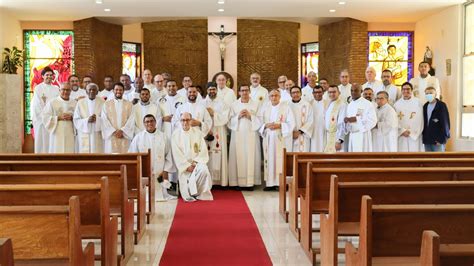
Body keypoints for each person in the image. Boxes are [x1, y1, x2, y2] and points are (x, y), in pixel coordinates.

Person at [129, 114, 176, 201]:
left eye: (151, 121)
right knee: (145, 196)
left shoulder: (163, 137)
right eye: (147, 122)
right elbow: (132, 155)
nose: (149, 123)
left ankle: (162, 193)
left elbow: (168, 155)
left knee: (160, 192)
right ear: (144, 124)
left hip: (160, 172)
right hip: (144, 171)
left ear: (155, 122)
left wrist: (165, 170)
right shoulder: (138, 138)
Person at [172, 112, 213, 202]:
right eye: (183, 120)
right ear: (180, 121)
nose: (185, 122)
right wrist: (186, 166)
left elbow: (203, 150)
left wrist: (196, 163)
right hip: (184, 167)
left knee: (204, 171)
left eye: (187, 120)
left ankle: (200, 193)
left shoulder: (198, 133)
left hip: (197, 164)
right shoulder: (175, 135)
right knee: (187, 184)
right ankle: (191, 192)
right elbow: (176, 154)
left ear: (191, 121)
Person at [259, 89, 295, 191]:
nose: (274, 97)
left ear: (279, 97)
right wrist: (266, 125)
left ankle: (280, 184)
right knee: (269, 159)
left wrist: (279, 125)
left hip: (280, 138)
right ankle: (270, 183)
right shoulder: (265, 107)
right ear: (269, 97)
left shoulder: (286, 107)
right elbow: (259, 122)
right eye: (272, 96)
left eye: (276, 95)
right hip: (268, 138)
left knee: (280, 160)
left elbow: (291, 123)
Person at [228, 85, 262, 190]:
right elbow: (229, 121)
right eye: (242, 90)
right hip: (237, 135)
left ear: (249, 91)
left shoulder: (256, 104)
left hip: (251, 135)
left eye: (246, 90)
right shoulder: (234, 105)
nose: (244, 92)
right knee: (237, 156)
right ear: (239, 92)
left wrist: (250, 116)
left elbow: (261, 120)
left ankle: (250, 183)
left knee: (251, 156)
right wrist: (238, 116)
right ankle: (237, 182)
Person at [204, 82, 230, 186]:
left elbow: (225, 117)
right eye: (210, 89)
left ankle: (220, 182)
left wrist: (213, 113)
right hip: (206, 132)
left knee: (219, 153)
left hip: (219, 131)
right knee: (207, 155)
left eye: (214, 89)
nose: (212, 91)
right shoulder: (202, 103)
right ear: (207, 91)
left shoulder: (223, 103)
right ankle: (208, 182)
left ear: (217, 90)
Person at [30, 67, 60, 153]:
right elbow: (37, 105)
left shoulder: (56, 89)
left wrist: (53, 117)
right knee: (42, 142)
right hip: (42, 120)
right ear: (42, 76)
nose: (49, 77)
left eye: (51, 75)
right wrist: (46, 117)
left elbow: (58, 103)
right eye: (47, 75)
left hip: (53, 119)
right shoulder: (38, 88)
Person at [42, 82, 77, 153]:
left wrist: (72, 118)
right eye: (63, 89)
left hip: (70, 131)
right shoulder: (52, 102)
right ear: (59, 90)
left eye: (68, 90)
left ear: (70, 91)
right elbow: (45, 117)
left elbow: (79, 118)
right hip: (57, 131)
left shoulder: (75, 103)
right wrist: (58, 118)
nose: (65, 92)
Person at [101, 82, 135, 153]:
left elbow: (132, 119)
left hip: (125, 136)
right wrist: (113, 131)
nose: (118, 91)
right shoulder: (106, 104)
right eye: (116, 90)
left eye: (120, 90)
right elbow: (104, 120)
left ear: (123, 91)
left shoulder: (129, 104)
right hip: (111, 136)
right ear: (113, 90)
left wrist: (123, 131)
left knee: (125, 158)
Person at [344, 84, 377, 152]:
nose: (353, 92)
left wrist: (356, 119)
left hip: (363, 135)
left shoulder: (367, 104)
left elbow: (373, 120)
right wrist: (346, 121)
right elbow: (348, 122)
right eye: (351, 90)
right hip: (352, 135)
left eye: (356, 90)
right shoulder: (350, 105)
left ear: (361, 91)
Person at [73, 83, 105, 153]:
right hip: (84, 133)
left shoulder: (103, 102)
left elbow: (106, 119)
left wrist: (97, 119)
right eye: (89, 90)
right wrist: (87, 120)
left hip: (97, 133)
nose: (91, 91)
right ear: (86, 91)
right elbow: (76, 119)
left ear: (97, 92)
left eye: (94, 90)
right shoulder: (80, 102)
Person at [394, 82, 424, 152]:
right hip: (401, 135)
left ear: (412, 90)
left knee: (414, 157)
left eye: (408, 89)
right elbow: (394, 121)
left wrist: (412, 133)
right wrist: (402, 131)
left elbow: (421, 120)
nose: (406, 91)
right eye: (403, 89)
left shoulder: (418, 103)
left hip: (414, 136)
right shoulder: (397, 104)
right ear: (401, 91)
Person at [422, 87, 450, 152]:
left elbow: (445, 123)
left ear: (435, 94)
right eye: (427, 93)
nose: (429, 95)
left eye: (431, 93)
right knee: (428, 160)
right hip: (427, 139)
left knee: (439, 160)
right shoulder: (425, 106)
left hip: (438, 140)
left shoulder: (441, 105)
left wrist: (442, 139)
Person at [289, 86, 313, 152]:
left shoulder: (307, 105)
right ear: (290, 94)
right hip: (290, 136)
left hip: (303, 135)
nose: (295, 94)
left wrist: (299, 131)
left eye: (297, 92)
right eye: (293, 93)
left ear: (301, 93)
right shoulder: (287, 105)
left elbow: (310, 121)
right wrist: (291, 133)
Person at [324, 85, 347, 152]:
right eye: (330, 92)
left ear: (339, 93)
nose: (332, 94)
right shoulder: (329, 104)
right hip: (329, 136)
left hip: (336, 137)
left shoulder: (342, 105)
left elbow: (342, 123)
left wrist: (339, 140)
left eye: (334, 92)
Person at [310, 86, 326, 152]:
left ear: (323, 93)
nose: (317, 94)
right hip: (313, 131)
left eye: (319, 92)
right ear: (312, 93)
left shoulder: (328, 103)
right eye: (315, 92)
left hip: (324, 130)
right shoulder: (309, 104)